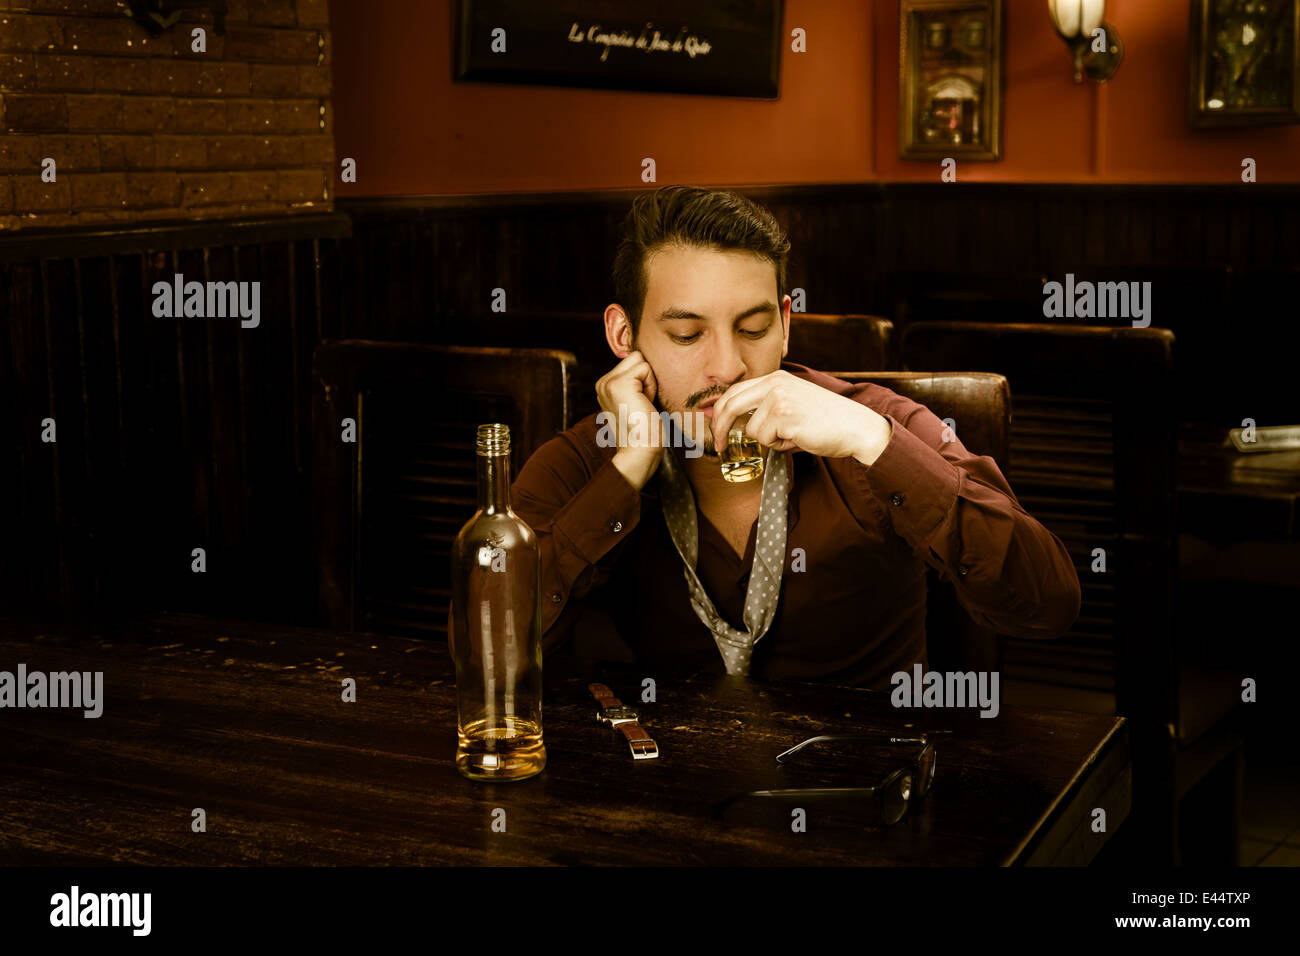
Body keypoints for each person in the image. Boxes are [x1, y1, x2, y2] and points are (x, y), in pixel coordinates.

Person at [510, 185, 1080, 689]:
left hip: (870, 786)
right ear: (623, 333)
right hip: (662, 790)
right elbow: (489, 658)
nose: (727, 367)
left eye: (753, 329)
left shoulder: (873, 423)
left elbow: (1048, 606)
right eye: (687, 335)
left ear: (785, 323)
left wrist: (874, 441)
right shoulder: (588, 458)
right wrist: (627, 469)